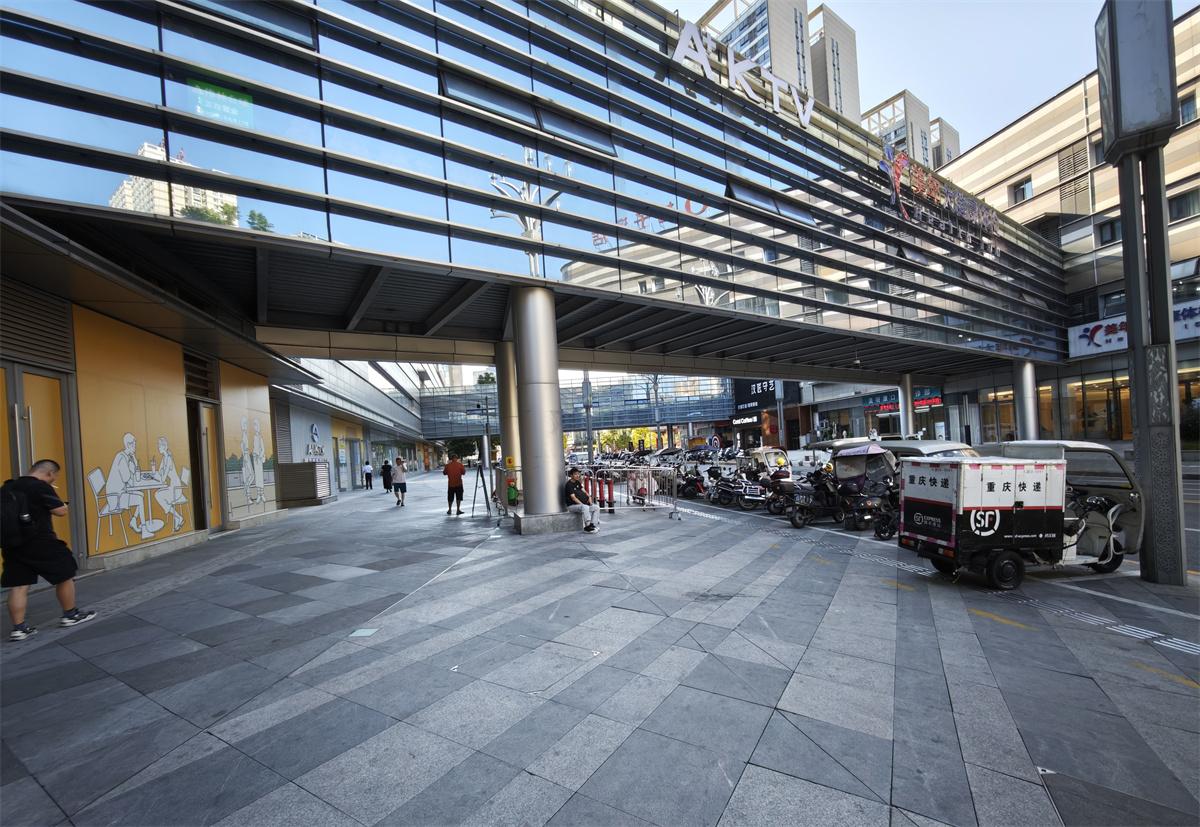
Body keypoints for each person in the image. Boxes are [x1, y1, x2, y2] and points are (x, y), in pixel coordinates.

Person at [3, 459, 96, 641]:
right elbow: (60, 511)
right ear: (50, 473)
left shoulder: (8, 486)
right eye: (54, 476)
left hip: (12, 543)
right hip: (40, 541)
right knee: (65, 573)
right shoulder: (40, 486)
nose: (54, 479)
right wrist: (63, 504)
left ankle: (19, 629)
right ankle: (70, 614)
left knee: (19, 585)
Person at [106, 432, 151, 540]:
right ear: (128, 445)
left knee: (141, 494)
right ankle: (144, 531)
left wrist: (134, 459)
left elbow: (133, 473)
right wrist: (134, 465)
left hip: (120, 492)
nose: (135, 447)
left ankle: (133, 521)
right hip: (115, 498)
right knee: (139, 498)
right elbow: (127, 479)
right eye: (133, 444)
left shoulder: (126, 456)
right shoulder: (122, 458)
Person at [152, 436, 186, 532]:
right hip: (172, 486)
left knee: (158, 495)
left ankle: (178, 517)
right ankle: (177, 517)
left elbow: (162, 478)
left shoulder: (168, 459)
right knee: (158, 494)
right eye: (158, 445)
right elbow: (160, 473)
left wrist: (155, 476)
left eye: (160, 445)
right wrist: (155, 473)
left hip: (176, 489)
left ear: (164, 447)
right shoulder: (164, 458)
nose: (158, 447)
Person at [565, 468, 600, 533]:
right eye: (575, 474)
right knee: (585, 507)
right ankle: (587, 527)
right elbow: (573, 498)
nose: (577, 475)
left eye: (578, 474)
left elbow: (585, 491)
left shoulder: (577, 482)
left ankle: (592, 525)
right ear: (571, 475)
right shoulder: (569, 485)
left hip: (581, 505)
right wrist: (582, 504)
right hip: (572, 506)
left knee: (596, 507)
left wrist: (589, 497)